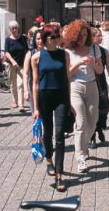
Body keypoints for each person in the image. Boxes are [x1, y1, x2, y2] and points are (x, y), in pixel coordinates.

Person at [32, 23, 71, 192]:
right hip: (45, 96)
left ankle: (59, 176)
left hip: (61, 96)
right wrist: (35, 107)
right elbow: (34, 83)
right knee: (47, 133)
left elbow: (68, 78)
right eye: (53, 37)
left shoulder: (64, 54)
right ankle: (49, 159)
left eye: (58, 36)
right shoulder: (37, 57)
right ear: (45, 39)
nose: (56, 40)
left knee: (60, 134)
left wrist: (69, 102)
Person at [64, 20, 103, 173]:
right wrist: (79, 63)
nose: (82, 38)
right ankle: (80, 157)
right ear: (74, 35)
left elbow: (100, 71)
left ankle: (84, 146)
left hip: (92, 85)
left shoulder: (94, 48)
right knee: (80, 122)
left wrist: (94, 64)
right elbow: (67, 73)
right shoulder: (68, 51)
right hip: (75, 86)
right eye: (80, 35)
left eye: (85, 34)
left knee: (93, 121)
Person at [91, 27, 109, 148]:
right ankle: (92, 137)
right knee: (92, 110)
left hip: (101, 84)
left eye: (101, 36)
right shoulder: (86, 51)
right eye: (98, 36)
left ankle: (100, 129)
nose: (101, 38)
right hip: (91, 82)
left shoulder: (104, 51)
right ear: (92, 37)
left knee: (103, 109)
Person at [4, 20, 29, 112]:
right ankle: (14, 100)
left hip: (21, 64)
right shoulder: (8, 39)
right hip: (11, 64)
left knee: (21, 84)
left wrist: (27, 61)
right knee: (12, 84)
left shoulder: (22, 38)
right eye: (12, 29)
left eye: (16, 28)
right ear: (10, 30)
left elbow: (27, 50)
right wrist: (12, 61)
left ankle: (21, 105)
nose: (14, 30)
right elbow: (6, 52)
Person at [23, 29, 43, 113]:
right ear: (34, 40)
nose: (40, 41)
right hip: (34, 86)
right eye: (38, 39)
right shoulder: (30, 54)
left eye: (42, 38)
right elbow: (25, 73)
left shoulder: (50, 53)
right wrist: (25, 90)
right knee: (36, 113)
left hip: (47, 86)